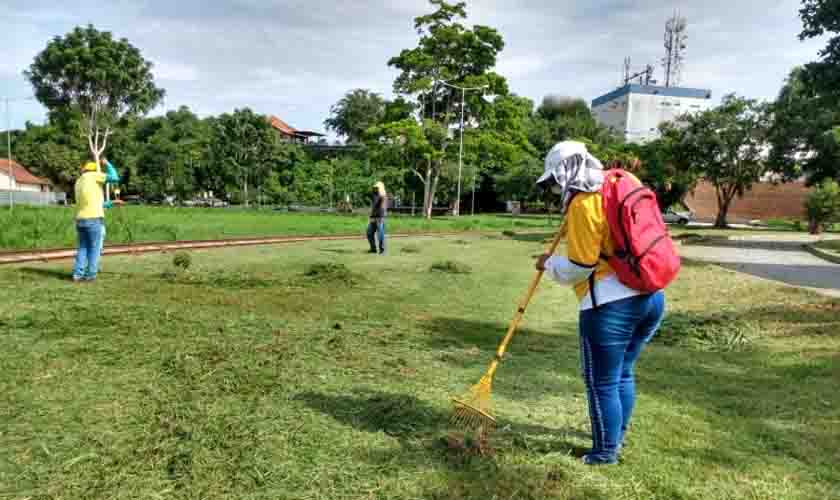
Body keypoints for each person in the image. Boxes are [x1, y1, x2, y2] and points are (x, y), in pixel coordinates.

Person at [534, 141, 666, 466]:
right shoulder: (622, 181)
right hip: (650, 296)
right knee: (622, 373)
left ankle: (605, 452)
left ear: (565, 172)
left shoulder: (583, 202)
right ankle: (615, 437)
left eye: (553, 181)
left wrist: (548, 265)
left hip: (610, 306)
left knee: (602, 381)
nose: (554, 188)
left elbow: (580, 266)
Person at [72, 162, 109, 282]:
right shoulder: (94, 176)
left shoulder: (78, 181)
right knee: (95, 248)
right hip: (93, 218)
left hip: (80, 218)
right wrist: (108, 164)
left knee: (82, 248)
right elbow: (115, 177)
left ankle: (77, 274)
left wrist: (108, 203)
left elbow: (92, 200)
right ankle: (90, 275)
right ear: (93, 171)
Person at [367, 181, 387, 255]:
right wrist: (371, 215)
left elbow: (382, 207)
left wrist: (381, 217)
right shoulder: (374, 195)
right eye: (374, 187)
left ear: (380, 188)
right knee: (369, 233)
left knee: (380, 234)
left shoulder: (383, 196)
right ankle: (373, 249)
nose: (375, 188)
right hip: (373, 217)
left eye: (377, 187)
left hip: (380, 217)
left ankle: (382, 250)